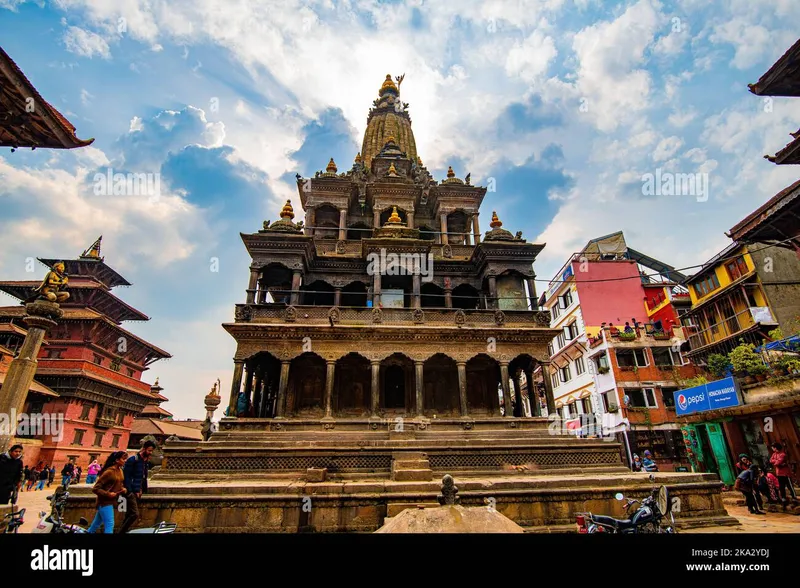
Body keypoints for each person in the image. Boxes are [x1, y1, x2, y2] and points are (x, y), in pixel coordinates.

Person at [118, 440, 156, 533]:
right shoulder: (133, 460)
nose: (150, 453)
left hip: (138, 491)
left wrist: (142, 489)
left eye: (151, 451)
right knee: (134, 514)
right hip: (130, 491)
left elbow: (142, 477)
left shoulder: (145, 461)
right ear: (144, 449)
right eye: (149, 450)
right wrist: (130, 491)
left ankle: (122, 531)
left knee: (129, 514)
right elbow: (126, 476)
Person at [86, 451, 127, 534]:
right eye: (123, 459)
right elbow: (96, 488)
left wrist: (122, 488)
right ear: (117, 460)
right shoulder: (109, 472)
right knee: (110, 524)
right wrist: (108, 494)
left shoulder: (120, 470)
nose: (125, 461)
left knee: (95, 525)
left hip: (112, 501)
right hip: (104, 502)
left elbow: (119, 483)